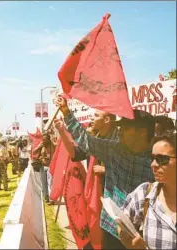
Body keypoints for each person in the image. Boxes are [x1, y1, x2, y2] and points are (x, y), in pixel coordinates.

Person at [55, 95, 155, 249]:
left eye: (125, 128)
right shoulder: (113, 149)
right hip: (112, 228)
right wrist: (66, 112)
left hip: (144, 234)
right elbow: (85, 140)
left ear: (142, 132)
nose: (120, 132)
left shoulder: (160, 159)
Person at [118, 132, 176, 249]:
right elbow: (121, 223)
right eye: (152, 158)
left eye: (162, 159)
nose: (153, 164)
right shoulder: (144, 193)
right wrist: (130, 243)